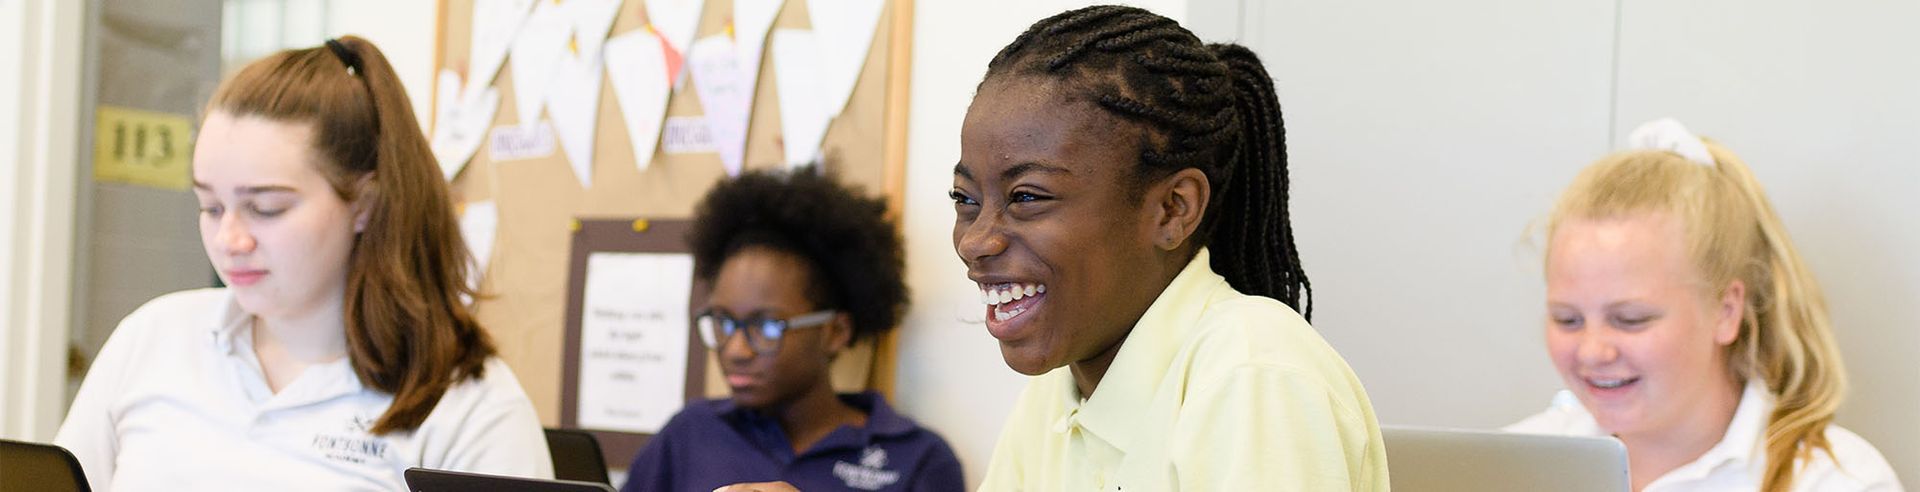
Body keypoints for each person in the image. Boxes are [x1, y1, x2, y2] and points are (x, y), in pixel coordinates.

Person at [54, 37, 551, 490]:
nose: (230, 238)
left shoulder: (471, 409)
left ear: (364, 203)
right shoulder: (154, 337)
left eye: (266, 208)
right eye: (210, 206)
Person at [952, 5, 1388, 490]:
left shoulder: (1254, 373)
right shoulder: (1056, 393)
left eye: (1027, 197)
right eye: (965, 199)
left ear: (1173, 210)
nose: (976, 240)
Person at [1506, 119, 1901, 491]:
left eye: (1630, 320)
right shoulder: (1512, 463)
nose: (1593, 350)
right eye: (1568, 319)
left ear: (1726, 311)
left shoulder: (1839, 480)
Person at [621, 168, 963, 492]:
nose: (736, 350)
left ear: (835, 332)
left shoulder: (918, 459)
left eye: (766, 326)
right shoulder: (690, 434)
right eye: (723, 322)